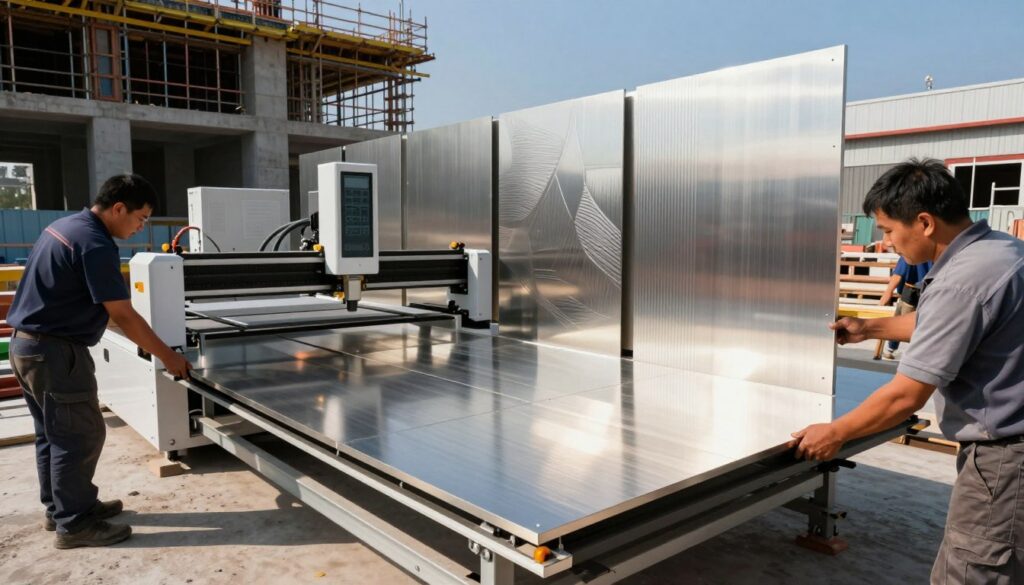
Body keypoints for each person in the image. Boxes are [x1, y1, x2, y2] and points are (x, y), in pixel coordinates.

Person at [789, 158, 1024, 583]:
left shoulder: (961, 280)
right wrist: (868, 328)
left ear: (925, 223)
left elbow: (905, 396)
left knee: (972, 572)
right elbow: (945, 323)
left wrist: (836, 432)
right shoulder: (1001, 250)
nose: (886, 243)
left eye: (888, 231)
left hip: (1006, 460)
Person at [8, 174, 192, 549]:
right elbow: (122, 314)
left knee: (53, 435)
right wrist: (168, 355)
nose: (141, 227)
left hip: (27, 347)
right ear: (118, 208)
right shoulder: (95, 244)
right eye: (140, 218)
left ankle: (62, 509)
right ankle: (74, 524)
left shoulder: (65, 227)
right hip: (56, 354)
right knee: (79, 436)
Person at [878, 256, 932, 359]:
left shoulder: (909, 252)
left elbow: (898, 274)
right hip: (928, 290)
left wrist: (888, 292)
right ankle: (893, 349)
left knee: (901, 321)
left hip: (913, 290)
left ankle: (891, 349)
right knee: (922, 323)